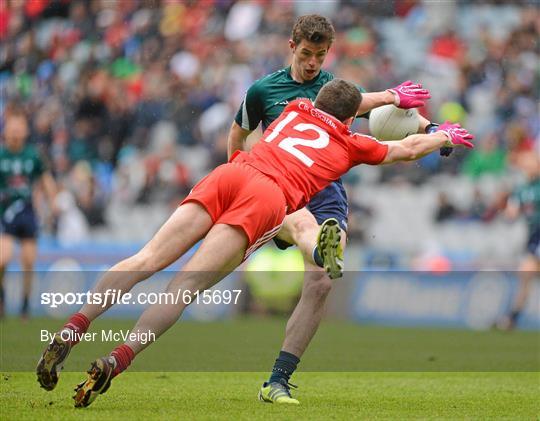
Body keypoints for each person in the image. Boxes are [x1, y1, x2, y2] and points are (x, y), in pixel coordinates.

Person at [36, 78, 473, 408]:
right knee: (184, 287)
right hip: (268, 197)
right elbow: (407, 148)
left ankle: (73, 327)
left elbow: (354, 103)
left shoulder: (297, 106)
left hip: (234, 172)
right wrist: (442, 135)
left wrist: (391, 96)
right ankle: (117, 359)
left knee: (147, 257)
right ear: (348, 120)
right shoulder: (350, 143)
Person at [227, 14, 440, 403]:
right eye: (306, 54)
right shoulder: (262, 90)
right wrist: (238, 175)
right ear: (292, 47)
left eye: (320, 56)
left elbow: (385, 112)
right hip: (281, 187)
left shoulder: (335, 91)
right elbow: (239, 134)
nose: (312, 63)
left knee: (322, 281)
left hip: (326, 193)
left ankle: (277, 380)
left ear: (328, 53)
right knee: (297, 246)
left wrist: (430, 132)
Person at [0, 107, 57, 319]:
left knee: (28, 261)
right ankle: (2, 296)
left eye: (19, 128)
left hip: (27, 213)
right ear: (5, 130)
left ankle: (24, 305)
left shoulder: (33, 155)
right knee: (2, 258)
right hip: (5, 213)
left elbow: (45, 179)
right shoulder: (1, 154)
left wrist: (53, 200)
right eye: (11, 128)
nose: (15, 132)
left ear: (25, 130)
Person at [495, 152, 540, 330]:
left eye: (531, 164)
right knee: (525, 275)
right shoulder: (521, 190)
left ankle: (512, 317)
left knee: (526, 273)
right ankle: (513, 317)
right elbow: (510, 215)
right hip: (533, 236)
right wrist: (504, 206)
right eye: (525, 165)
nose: (527, 168)